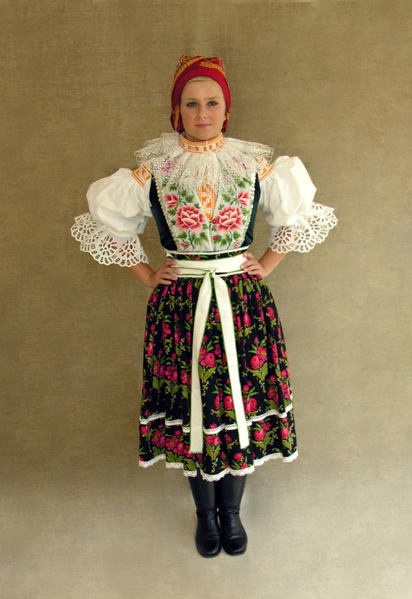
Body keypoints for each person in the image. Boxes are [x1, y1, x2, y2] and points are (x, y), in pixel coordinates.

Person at [71, 55, 337, 558]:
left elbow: (295, 215)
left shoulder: (253, 165)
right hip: (181, 305)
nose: (202, 113)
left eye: (212, 102)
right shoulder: (156, 170)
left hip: (241, 302)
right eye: (191, 104)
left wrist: (266, 263)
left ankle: (231, 514)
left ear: (226, 108)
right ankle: (204, 516)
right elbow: (109, 221)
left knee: (238, 403)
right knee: (194, 404)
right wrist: (149, 274)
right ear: (177, 110)